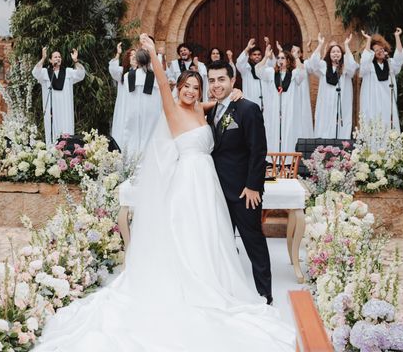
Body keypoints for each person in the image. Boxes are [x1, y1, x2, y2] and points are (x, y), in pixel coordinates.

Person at [33, 34, 294, 352]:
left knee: (212, 237)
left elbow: (226, 108)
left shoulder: (204, 110)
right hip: (188, 184)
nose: (191, 91)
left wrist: (237, 94)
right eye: (187, 86)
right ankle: (192, 287)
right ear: (178, 87)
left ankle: (229, 285)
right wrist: (153, 53)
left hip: (210, 185)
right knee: (187, 236)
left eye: (197, 87)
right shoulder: (173, 110)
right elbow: (160, 76)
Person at [206, 59, 273, 303]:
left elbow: (258, 150)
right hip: (216, 191)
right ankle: (227, 290)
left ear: (233, 80)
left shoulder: (247, 108)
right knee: (222, 244)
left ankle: (265, 294)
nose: (216, 85)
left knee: (253, 242)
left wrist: (253, 185)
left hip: (245, 192)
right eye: (211, 80)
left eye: (221, 79)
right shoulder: (211, 110)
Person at [32, 47, 86, 145]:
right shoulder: (44, 73)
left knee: (66, 130)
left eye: (59, 57)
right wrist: (43, 58)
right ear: (50, 60)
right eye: (55, 57)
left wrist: (76, 61)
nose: (58, 58)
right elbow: (35, 73)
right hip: (51, 110)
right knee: (52, 131)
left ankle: (68, 152)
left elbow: (81, 75)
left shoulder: (68, 72)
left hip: (65, 109)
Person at [310, 34, 358, 139]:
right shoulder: (323, 66)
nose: (335, 53)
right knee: (325, 121)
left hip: (341, 103)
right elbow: (313, 63)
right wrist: (320, 44)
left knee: (341, 123)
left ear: (342, 54)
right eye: (333, 52)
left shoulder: (346, 67)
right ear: (329, 54)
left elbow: (353, 67)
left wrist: (346, 45)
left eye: (338, 51)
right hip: (326, 104)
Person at [260, 45, 305, 154]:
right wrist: (266, 57)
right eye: (278, 58)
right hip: (275, 108)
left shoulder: (293, 73)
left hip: (289, 108)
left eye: (283, 58)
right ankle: (274, 159)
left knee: (289, 131)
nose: (280, 60)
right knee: (274, 131)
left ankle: (288, 158)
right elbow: (259, 70)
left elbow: (302, 73)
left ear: (288, 60)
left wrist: (296, 58)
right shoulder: (272, 72)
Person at [359, 28, 403, 132]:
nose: (379, 52)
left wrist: (397, 37)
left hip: (387, 100)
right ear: (372, 53)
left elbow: (400, 59)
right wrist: (368, 40)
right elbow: (364, 60)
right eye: (376, 50)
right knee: (374, 124)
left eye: (381, 49)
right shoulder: (369, 66)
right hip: (373, 102)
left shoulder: (390, 63)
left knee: (389, 123)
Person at [119, 48, 162, 160]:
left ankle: (131, 160)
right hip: (151, 111)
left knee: (132, 135)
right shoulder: (156, 76)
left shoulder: (128, 76)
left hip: (133, 110)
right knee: (149, 136)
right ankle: (147, 160)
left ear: (137, 61)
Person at [109, 43, 135, 150]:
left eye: (136, 55)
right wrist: (118, 54)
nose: (134, 57)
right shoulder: (122, 72)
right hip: (124, 105)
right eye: (131, 55)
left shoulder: (143, 73)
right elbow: (113, 69)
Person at [236, 38, 266, 110]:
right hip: (250, 103)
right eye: (254, 54)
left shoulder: (264, 68)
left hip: (264, 103)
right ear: (250, 56)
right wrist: (248, 48)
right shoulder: (245, 69)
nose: (257, 56)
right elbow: (239, 62)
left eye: (259, 54)